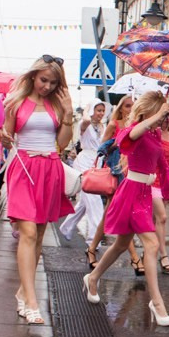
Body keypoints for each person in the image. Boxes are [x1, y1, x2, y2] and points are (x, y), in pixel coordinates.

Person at [83, 92, 169, 326]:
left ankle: (93, 277)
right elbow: (129, 137)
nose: (162, 120)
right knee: (152, 243)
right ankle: (156, 302)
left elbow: (161, 166)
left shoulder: (155, 134)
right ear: (148, 111)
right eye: (159, 114)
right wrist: (156, 115)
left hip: (144, 194)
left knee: (119, 245)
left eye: (165, 116)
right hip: (130, 192)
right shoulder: (135, 128)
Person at [3, 55, 75, 325]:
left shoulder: (57, 105)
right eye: (44, 79)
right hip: (23, 167)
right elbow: (8, 136)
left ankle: (23, 292)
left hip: (51, 168)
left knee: (40, 234)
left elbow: (63, 144)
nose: (46, 86)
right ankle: (32, 302)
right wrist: (4, 136)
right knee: (28, 232)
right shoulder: (16, 102)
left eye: (53, 82)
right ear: (33, 76)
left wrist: (68, 116)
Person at [88, 95, 142, 271]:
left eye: (132, 106)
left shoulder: (137, 126)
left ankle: (91, 248)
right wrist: (118, 143)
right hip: (117, 173)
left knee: (110, 214)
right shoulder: (115, 124)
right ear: (120, 108)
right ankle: (135, 258)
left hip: (132, 173)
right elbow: (102, 148)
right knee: (121, 213)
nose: (129, 109)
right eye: (127, 106)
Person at [59, 101, 107, 263]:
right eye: (98, 110)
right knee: (94, 201)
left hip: (97, 162)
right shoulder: (84, 123)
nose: (101, 113)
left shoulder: (103, 126)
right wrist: (87, 109)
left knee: (85, 202)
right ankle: (94, 237)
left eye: (102, 111)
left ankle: (66, 227)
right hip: (85, 162)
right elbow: (86, 120)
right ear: (92, 110)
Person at [153, 113, 169, 274]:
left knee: (154, 220)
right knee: (162, 218)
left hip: (166, 181)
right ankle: (163, 255)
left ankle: (148, 251)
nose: (167, 119)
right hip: (152, 179)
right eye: (164, 115)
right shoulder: (153, 133)